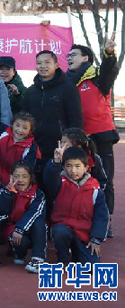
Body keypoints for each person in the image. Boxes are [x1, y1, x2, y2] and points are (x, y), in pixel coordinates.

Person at [65, 38, 118, 234]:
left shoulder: (98, 77)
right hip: (76, 137)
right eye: (68, 55)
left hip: (100, 135)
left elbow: (109, 70)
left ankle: (106, 220)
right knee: (76, 177)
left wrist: (109, 54)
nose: (69, 58)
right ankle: (78, 217)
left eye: (74, 55)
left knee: (105, 178)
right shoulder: (66, 81)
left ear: (85, 58)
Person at [44, 144, 108, 263]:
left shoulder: (95, 189)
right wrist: (56, 161)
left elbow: (101, 216)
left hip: (84, 234)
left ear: (86, 167)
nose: (73, 170)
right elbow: (49, 178)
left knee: (91, 267)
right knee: (60, 232)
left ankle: (77, 252)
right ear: (63, 167)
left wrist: (96, 238)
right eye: (69, 166)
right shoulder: (60, 183)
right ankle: (63, 258)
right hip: (63, 227)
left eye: (77, 166)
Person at [22, 50, 83, 160]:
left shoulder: (68, 88)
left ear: (56, 65)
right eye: (39, 63)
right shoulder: (30, 91)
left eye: (47, 62)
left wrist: (72, 143)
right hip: (35, 147)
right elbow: (24, 118)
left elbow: (76, 119)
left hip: (60, 147)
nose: (43, 66)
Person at [0, 161, 46, 273]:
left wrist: (20, 228)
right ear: (11, 177)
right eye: (16, 176)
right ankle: (18, 254)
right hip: (11, 229)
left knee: (40, 223)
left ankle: (38, 260)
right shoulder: (5, 190)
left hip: (28, 229)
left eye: (24, 176)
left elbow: (34, 213)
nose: (20, 180)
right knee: (19, 241)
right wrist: (8, 193)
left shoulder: (38, 194)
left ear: (31, 178)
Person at [0, 112, 41, 185]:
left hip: (14, 183)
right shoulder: (2, 135)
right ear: (12, 125)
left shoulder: (31, 148)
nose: (20, 130)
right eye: (17, 125)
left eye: (25, 128)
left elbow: (26, 170)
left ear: (30, 131)